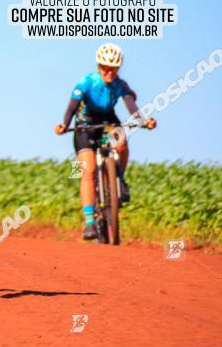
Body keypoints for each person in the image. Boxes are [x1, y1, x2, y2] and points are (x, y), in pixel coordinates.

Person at [54, 44, 156, 240]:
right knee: (89, 170)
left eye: (114, 68)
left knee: (122, 142)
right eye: (105, 68)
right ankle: (90, 223)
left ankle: (120, 179)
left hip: (108, 123)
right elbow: (72, 108)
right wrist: (64, 125)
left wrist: (143, 121)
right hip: (85, 125)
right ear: (98, 66)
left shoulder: (120, 84)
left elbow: (131, 105)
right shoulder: (86, 82)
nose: (109, 72)